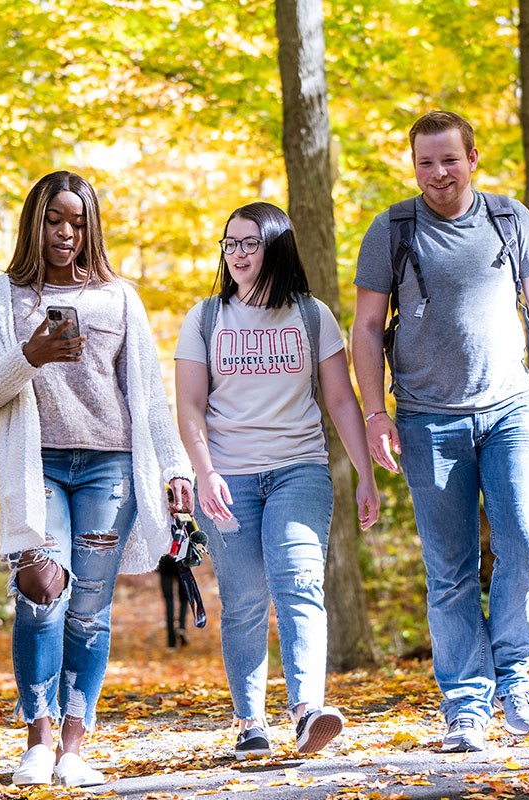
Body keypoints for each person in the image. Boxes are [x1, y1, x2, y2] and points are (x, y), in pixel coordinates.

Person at [351, 111, 529, 753]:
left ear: (472, 158)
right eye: (426, 162)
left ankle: (513, 679)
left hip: (513, 410)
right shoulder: (392, 229)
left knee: (528, 546)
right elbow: (367, 327)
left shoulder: (511, 220)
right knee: (449, 570)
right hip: (427, 420)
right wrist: (376, 414)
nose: (438, 173)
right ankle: (466, 706)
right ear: (414, 165)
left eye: (449, 159)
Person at [0, 170, 195, 786]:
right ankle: (36, 739)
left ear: (90, 227)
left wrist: (175, 468)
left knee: (89, 613)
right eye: (53, 220)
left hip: (111, 467)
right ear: (33, 222)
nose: (65, 232)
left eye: (77, 221)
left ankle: (73, 746)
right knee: (40, 596)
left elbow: (147, 398)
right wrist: (30, 355)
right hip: (35, 465)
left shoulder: (120, 297)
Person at [174, 202, 380, 760]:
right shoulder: (205, 319)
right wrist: (204, 471)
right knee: (242, 600)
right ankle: (249, 723)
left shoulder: (311, 316)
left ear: (276, 247)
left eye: (249, 243)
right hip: (229, 476)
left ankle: (308, 709)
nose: (237, 254)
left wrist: (365, 473)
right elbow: (189, 407)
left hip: (300, 469)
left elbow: (340, 399)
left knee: (299, 582)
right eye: (229, 244)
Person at [157, 554, 189, 648]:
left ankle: (171, 642)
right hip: (182, 561)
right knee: (184, 599)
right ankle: (181, 626)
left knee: (169, 602)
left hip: (165, 564)